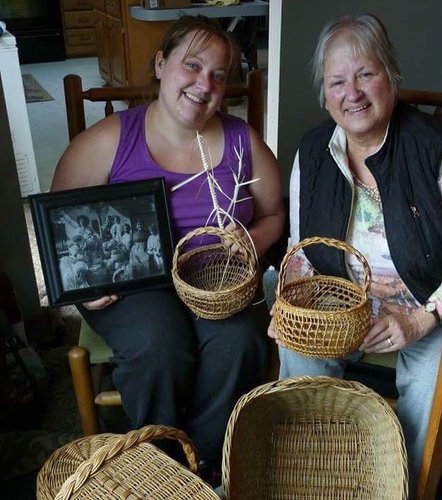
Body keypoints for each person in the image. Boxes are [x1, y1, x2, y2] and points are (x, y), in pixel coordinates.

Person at [267, 14, 442, 496]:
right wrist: (288, 303)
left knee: (431, 377)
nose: (352, 92)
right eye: (337, 81)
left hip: (430, 303)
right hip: (341, 299)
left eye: (365, 74)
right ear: (325, 94)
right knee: (297, 350)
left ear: (391, 77)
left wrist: (421, 319)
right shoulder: (312, 154)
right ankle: (319, 474)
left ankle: (400, 483)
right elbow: (301, 249)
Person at [51, 15, 284, 483]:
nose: (204, 84)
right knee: (159, 344)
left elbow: (275, 214)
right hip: (132, 286)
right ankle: (160, 466)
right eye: (192, 66)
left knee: (240, 343)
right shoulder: (110, 140)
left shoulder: (242, 141)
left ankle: (202, 468)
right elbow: (60, 230)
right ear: (161, 64)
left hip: (213, 280)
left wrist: (248, 241)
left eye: (219, 75)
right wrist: (81, 290)